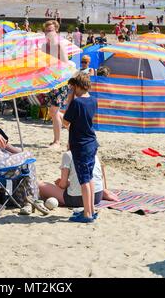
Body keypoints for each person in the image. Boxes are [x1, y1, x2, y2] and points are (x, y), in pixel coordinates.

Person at [63, 74, 99, 223]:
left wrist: (70, 99)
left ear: (77, 86)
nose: (72, 90)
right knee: (89, 178)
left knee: (84, 180)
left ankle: (87, 215)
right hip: (91, 142)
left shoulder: (77, 103)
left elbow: (65, 122)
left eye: (73, 87)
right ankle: (90, 210)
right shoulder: (93, 100)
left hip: (81, 145)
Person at [39, 149, 119, 207]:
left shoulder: (68, 154)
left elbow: (62, 185)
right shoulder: (93, 152)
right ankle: (105, 192)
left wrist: (60, 183)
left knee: (40, 185)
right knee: (87, 179)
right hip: (97, 196)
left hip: (78, 200)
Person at [42, 20, 70, 149]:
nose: (48, 33)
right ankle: (72, 126)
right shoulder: (44, 46)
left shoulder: (59, 45)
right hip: (49, 81)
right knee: (54, 112)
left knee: (53, 111)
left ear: (56, 31)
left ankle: (57, 142)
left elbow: (65, 63)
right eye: (46, 31)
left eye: (51, 30)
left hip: (60, 80)